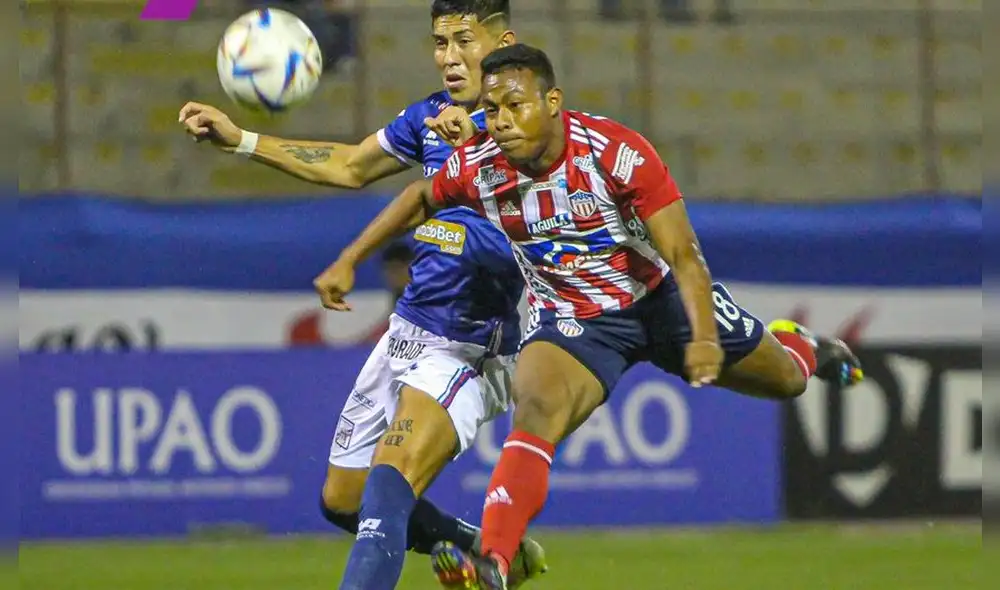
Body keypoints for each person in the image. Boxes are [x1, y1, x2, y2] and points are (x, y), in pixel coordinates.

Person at [313, 43, 864, 590]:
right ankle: (496, 561)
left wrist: (701, 337)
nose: (502, 122)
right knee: (536, 412)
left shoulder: (616, 153)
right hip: (573, 320)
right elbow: (418, 197)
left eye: (516, 105)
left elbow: (684, 255)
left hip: (660, 301)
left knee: (787, 382)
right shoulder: (481, 167)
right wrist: (348, 259)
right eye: (494, 110)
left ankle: (802, 345)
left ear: (553, 101)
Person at [178, 3, 548, 589]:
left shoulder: (535, 126)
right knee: (344, 499)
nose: (448, 57)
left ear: (501, 41)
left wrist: (479, 134)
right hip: (410, 330)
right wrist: (242, 140)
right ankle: (489, 553)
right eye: (438, 42)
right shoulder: (429, 117)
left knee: (390, 476)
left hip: (472, 343)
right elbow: (350, 165)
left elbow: (543, 204)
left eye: (462, 41)